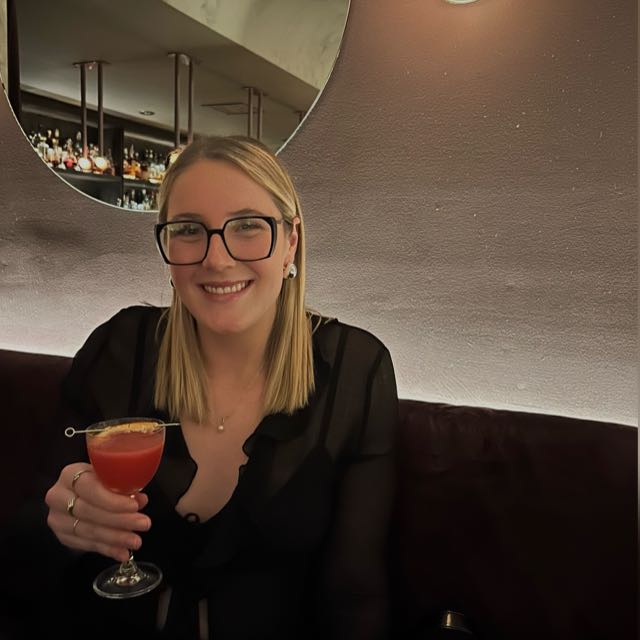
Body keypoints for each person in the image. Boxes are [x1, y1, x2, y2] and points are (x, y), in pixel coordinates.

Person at [40, 135, 399, 639]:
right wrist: (66, 526)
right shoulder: (121, 348)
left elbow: (355, 594)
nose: (217, 259)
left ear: (291, 241)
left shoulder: (354, 369)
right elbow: (30, 537)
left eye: (248, 226)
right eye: (189, 230)